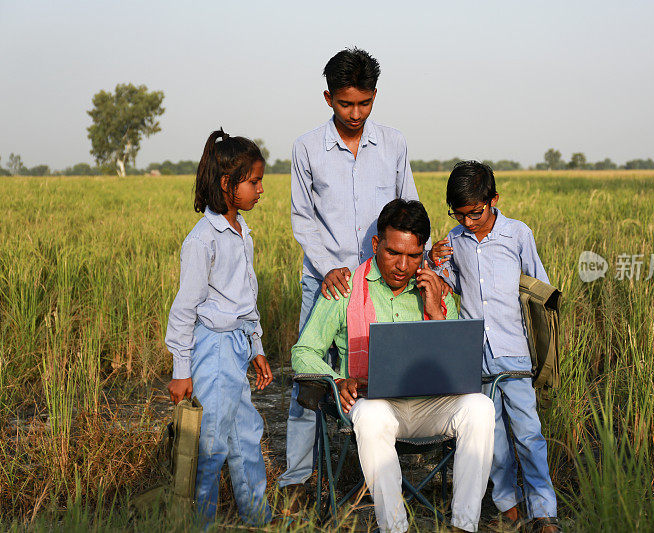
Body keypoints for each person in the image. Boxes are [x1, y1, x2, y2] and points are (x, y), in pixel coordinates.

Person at [292, 199, 495, 533]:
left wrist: (436, 311)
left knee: (481, 407)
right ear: (376, 245)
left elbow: (454, 365)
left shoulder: (435, 290)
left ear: (424, 251)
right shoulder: (344, 289)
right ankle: (395, 528)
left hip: (430, 407)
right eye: (393, 253)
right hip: (378, 407)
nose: (403, 265)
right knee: (371, 416)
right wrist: (336, 379)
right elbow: (302, 351)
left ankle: (464, 525)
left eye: (414, 256)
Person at [281, 47, 422, 501]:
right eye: (345, 103)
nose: (355, 113)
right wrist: (330, 269)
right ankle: (299, 478)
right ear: (328, 98)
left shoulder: (395, 144)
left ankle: (382, 467)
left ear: (375, 96)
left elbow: (410, 209)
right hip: (326, 282)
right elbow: (303, 219)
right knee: (312, 379)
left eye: (364, 103)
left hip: (383, 285)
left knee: (381, 374)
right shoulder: (306, 148)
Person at [429, 161, 560, 533]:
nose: (468, 222)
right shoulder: (454, 241)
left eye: (475, 213)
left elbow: (540, 293)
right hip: (474, 354)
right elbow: (444, 287)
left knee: (529, 433)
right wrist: (434, 262)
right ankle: (508, 503)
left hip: (514, 350)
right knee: (495, 438)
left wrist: (544, 353)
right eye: (459, 215)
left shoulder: (518, 235)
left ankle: (544, 510)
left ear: (493, 200)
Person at [165, 129, 274, 526]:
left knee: (245, 434)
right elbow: (184, 309)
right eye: (255, 181)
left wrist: (257, 346)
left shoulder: (242, 233)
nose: (261, 189)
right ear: (228, 184)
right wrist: (182, 371)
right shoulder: (203, 240)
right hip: (211, 350)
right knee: (209, 444)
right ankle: (200, 524)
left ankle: (258, 516)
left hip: (238, 346)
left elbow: (247, 298)